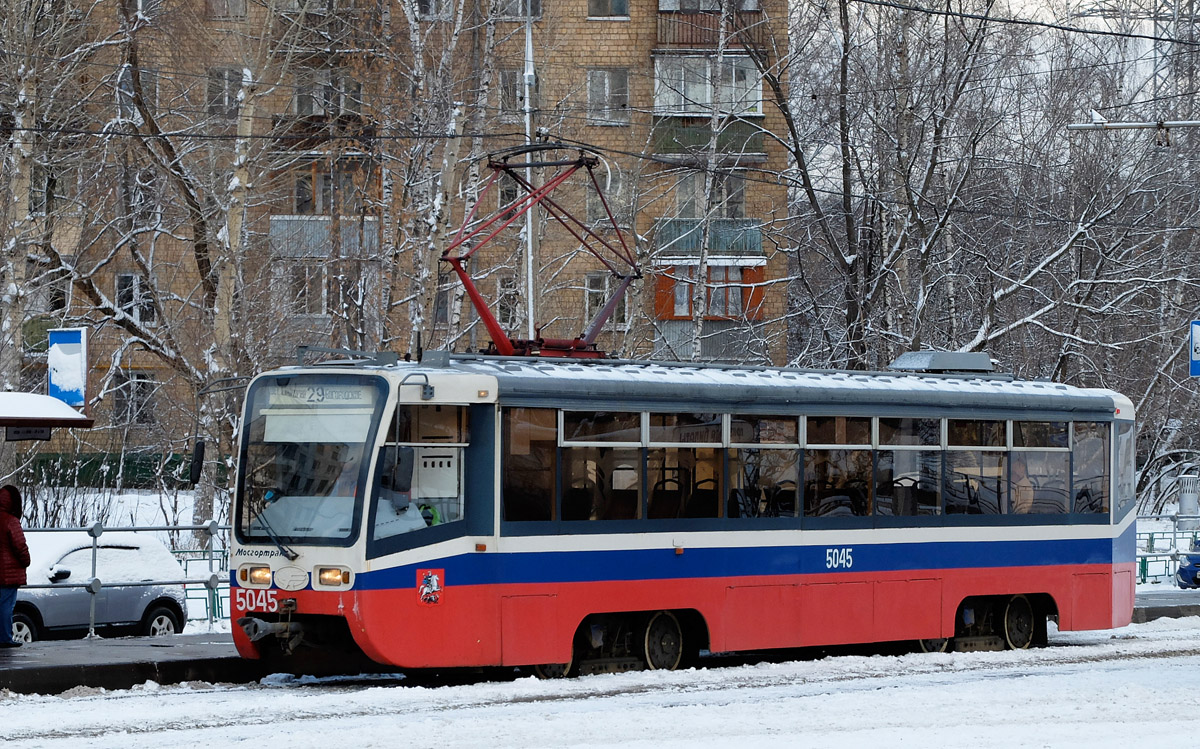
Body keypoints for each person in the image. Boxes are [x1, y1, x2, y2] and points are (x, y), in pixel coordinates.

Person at [0, 484, 31, 648]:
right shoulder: (11, 521)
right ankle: (5, 638)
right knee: (6, 606)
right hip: (8, 573)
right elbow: (20, 546)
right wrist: (26, 561)